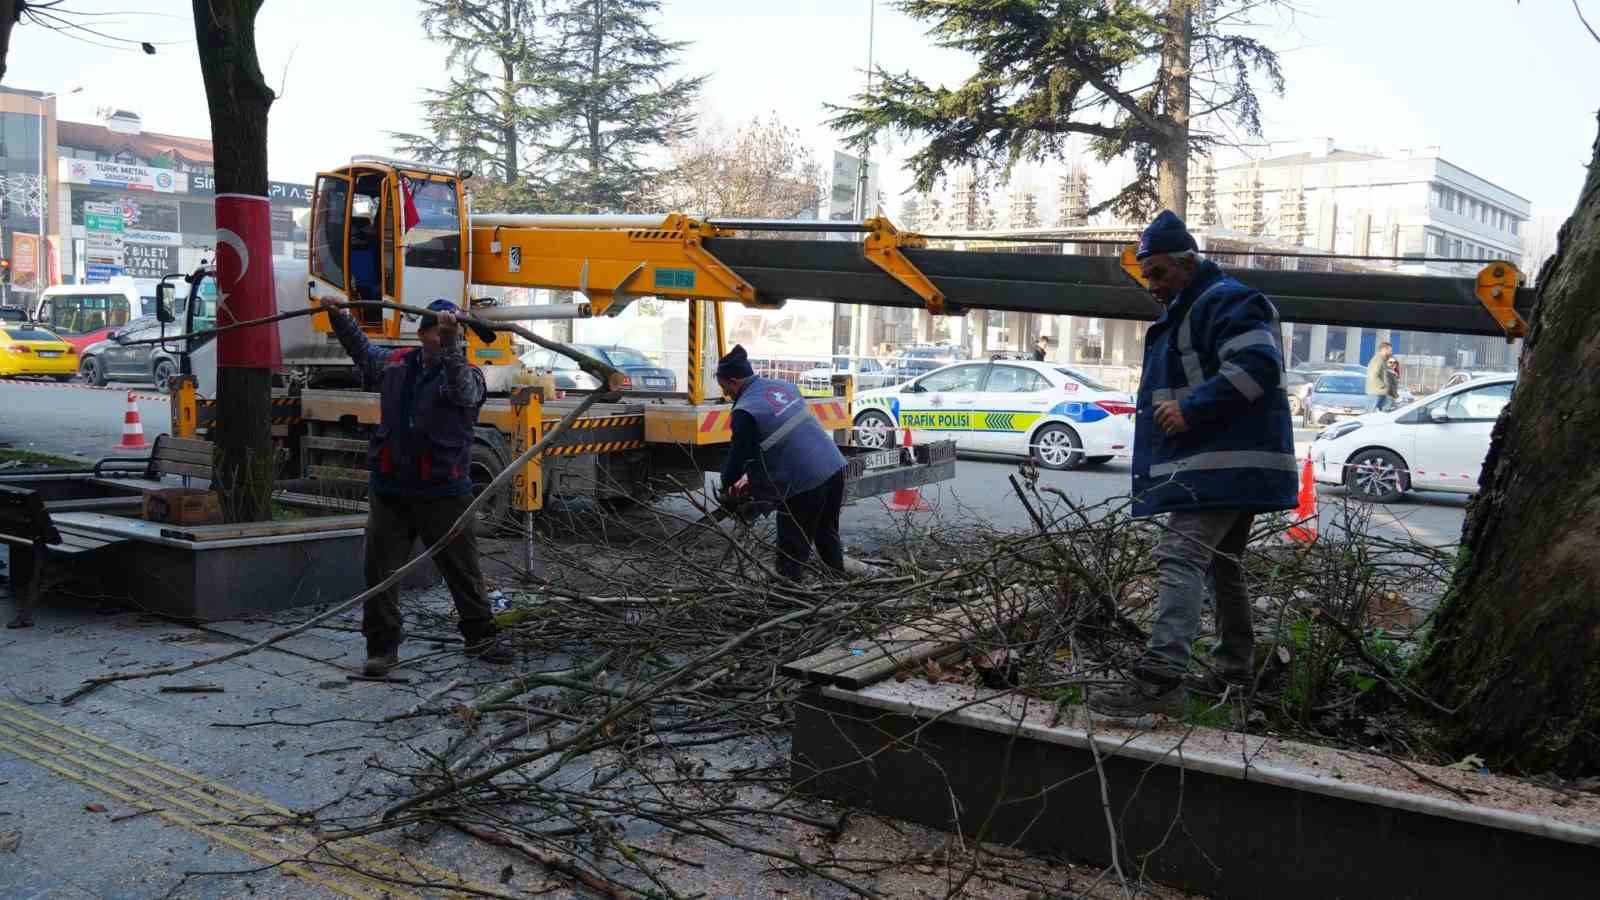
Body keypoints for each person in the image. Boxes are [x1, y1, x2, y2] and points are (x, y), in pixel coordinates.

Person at [1088, 211, 1297, 718]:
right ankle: (1234, 672)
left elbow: (1259, 365)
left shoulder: (1222, 299)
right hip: (1228, 464)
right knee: (1223, 568)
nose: (1152, 284)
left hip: (1220, 467)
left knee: (1179, 556)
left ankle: (1161, 681)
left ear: (1188, 262)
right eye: (1147, 274)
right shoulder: (1196, 305)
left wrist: (1192, 408)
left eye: (1159, 272)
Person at [314, 295, 512, 675]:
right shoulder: (396, 365)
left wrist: (453, 341)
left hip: (444, 492)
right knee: (380, 571)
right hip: (392, 489)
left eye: (452, 334)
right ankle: (382, 646)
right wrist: (340, 317)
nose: (446, 338)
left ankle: (480, 636)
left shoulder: (466, 373)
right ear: (422, 335)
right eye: (440, 331)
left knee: (463, 570)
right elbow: (363, 352)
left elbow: (463, 393)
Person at [715, 344, 849, 581]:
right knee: (827, 533)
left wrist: (727, 485)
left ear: (734, 381)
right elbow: (779, 438)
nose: (726, 394)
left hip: (803, 482)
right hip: (833, 466)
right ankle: (837, 588)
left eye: (725, 388)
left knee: (791, 550)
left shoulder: (745, 409)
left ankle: (788, 602)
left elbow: (740, 454)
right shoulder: (785, 387)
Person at [1366, 341, 1395, 411]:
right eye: (1390, 350)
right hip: (1375, 393)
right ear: (1384, 349)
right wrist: (1384, 385)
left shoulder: (1383, 360)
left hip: (1381, 392)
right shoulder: (1377, 360)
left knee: (1384, 413)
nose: (1391, 352)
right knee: (1370, 413)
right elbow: (1372, 375)